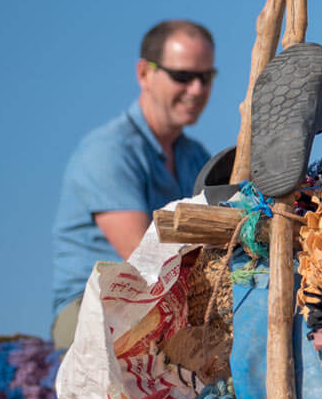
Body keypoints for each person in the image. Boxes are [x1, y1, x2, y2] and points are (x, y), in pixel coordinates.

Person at [50, 20, 215, 348]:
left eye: (205, 77)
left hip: (164, 303)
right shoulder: (108, 152)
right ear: (144, 73)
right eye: (182, 76)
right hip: (92, 308)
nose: (196, 89)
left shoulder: (196, 156)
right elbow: (145, 263)